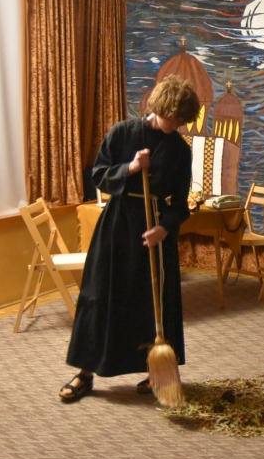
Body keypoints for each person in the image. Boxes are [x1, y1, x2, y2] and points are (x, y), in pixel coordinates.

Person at [59, 75, 199, 401]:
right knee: (100, 297)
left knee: (156, 302)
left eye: (182, 121)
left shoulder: (180, 150)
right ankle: (85, 373)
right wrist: (131, 167)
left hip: (155, 229)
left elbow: (181, 204)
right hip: (118, 225)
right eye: (173, 118)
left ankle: (158, 372)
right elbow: (97, 175)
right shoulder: (123, 132)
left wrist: (165, 228)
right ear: (159, 108)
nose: (177, 125)